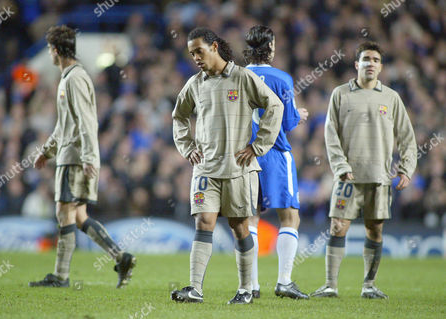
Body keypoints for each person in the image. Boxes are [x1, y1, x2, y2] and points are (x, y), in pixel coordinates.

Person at [171, 27, 284, 304]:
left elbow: (275, 106)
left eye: (199, 51)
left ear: (214, 47)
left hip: (239, 168)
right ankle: (195, 289)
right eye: (191, 53)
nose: (195, 57)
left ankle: (246, 289)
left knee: (239, 227)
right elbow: (179, 117)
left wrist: (258, 146)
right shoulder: (195, 84)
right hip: (206, 168)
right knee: (204, 221)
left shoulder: (242, 77)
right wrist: (187, 147)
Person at [28, 25, 136, 289]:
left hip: (75, 157)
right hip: (73, 154)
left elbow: (87, 121)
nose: (50, 54)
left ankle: (60, 276)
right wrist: (46, 152)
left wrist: (88, 156)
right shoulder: (70, 77)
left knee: (63, 212)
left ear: (55, 50)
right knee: (78, 216)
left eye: (50, 50)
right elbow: (65, 125)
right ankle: (120, 257)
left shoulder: (74, 79)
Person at [311, 41, 417, 299]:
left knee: (375, 229)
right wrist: (340, 166)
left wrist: (406, 169)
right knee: (338, 226)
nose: (371, 63)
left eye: (375, 60)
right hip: (348, 175)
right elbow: (330, 133)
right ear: (357, 64)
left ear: (381, 67)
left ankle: (369, 285)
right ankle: (330, 285)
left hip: (379, 177)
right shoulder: (340, 94)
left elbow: (407, 137)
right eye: (366, 59)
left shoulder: (391, 98)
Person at [243, 25, 309, 300]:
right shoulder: (281, 78)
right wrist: (300, 114)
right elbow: (289, 122)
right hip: (275, 153)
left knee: (250, 219)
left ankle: (252, 285)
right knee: (289, 215)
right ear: (269, 47)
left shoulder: (237, 76)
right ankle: (283, 281)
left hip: (245, 154)